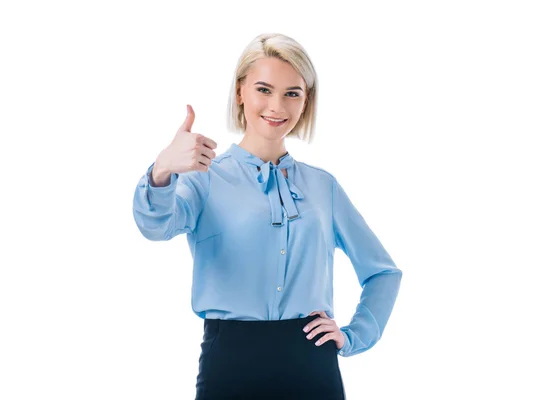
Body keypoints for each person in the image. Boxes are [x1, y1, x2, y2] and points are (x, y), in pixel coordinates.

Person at [132, 32, 402, 400]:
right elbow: (155, 225)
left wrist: (355, 335)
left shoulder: (324, 188)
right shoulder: (203, 177)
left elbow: (383, 272)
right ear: (240, 91)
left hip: (312, 364)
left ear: (306, 102)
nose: (278, 106)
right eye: (264, 89)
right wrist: (162, 170)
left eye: (292, 93)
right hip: (230, 365)